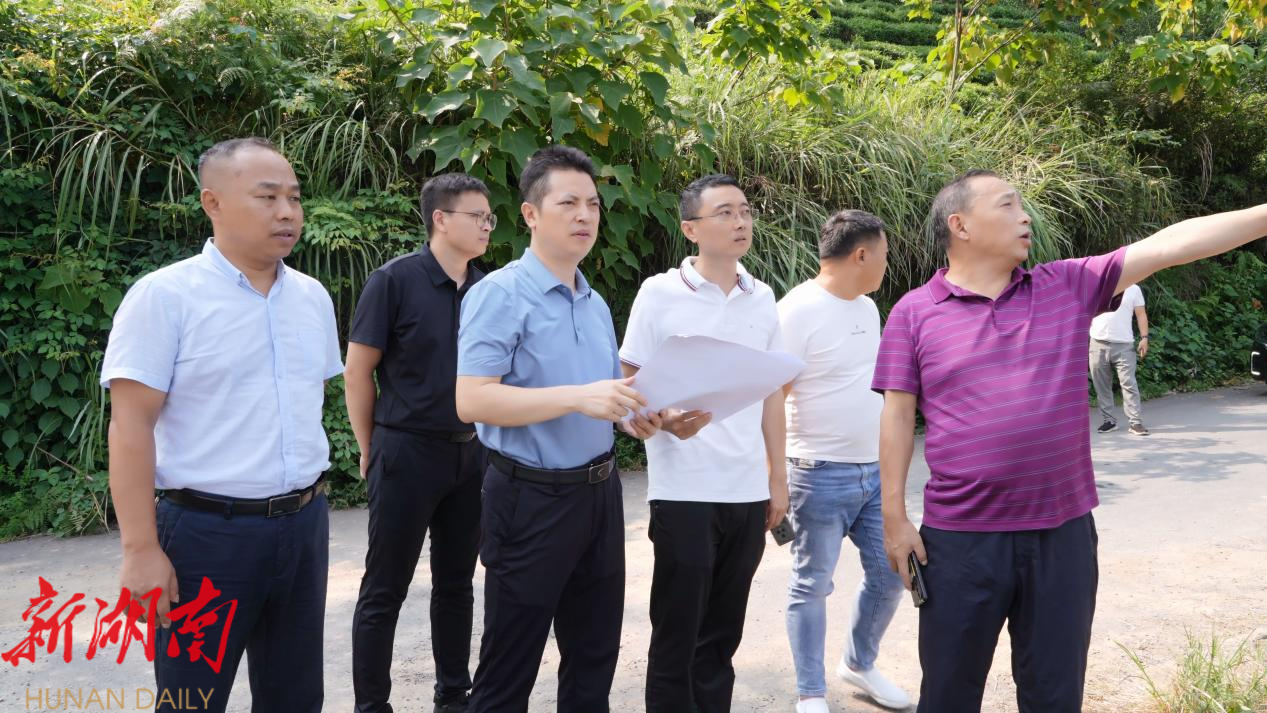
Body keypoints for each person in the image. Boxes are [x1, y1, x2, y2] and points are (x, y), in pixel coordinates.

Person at [873, 168, 1267, 712]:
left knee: (1056, 697)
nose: (1025, 217)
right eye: (1008, 205)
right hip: (961, 540)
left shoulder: (1065, 285)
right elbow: (897, 416)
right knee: (947, 694)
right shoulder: (915, 313)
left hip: (1061, 536)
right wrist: (893, 519)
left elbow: (1168, 246)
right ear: (959, 225)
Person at [101, 137, 342, 713]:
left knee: (295, 698)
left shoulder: (311, 298)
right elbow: (130, 427)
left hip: (303, 526)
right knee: (192, 700)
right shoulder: (165, 297)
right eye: (267, 197)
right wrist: (140, 549)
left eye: (294, 198)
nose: (287, 212)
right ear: (212, 202)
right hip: (207, 538)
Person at [454, 145, 661, 713]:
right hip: (530, 498)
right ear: (530, 214)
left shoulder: (592, 301)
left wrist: (641, 418)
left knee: (594, 659)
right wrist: (577, 397)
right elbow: (472, 400)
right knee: (508, 667)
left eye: (592, 204)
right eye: (568, 203)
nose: (584, 215)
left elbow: (605, 400)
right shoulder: (499, 294)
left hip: (600, 495)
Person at [619, 174, 788, 713]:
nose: (740, 222)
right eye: (725, 213)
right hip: (683, 490)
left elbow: (771, 393)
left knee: (721, 637)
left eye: (745, 211)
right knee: (677, 635)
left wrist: (777, 480)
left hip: (747, 491)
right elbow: (629, 385)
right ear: (690, 229)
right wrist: (658, 418)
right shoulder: (659, 293)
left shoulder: (762, 296)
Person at [348, 173, 493, 713]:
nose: (487, 226)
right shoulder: (394, 281)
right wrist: (370, 446)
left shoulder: (488, 288)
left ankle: (453, 695)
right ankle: (372, 705)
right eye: (477, 216)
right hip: (406, 450)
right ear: (441, 219)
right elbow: (358, 371)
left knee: (457, 583)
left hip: (472, 452)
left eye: (489, 217)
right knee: (385, 587)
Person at [778, 210, 908, 713]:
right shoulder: (796, 311)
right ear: (861, 254)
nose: (886, 264)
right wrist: (773, 477)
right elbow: (772, 398)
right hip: (816, 473)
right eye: (884, 255)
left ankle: (858, 662)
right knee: (812, 583)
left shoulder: (867, 308)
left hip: (874, 471)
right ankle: (810, 692)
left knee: (892, 571)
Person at [1090, 283, 1150, 435]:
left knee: (1129, 383)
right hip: (1097, 342)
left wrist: (1144, 338)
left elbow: (1141, 314)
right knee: (1101, 385)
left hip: (1124, 344)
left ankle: (1135, 422)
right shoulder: (1097, 284)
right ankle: (1108, 421)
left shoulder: (1134, 288)